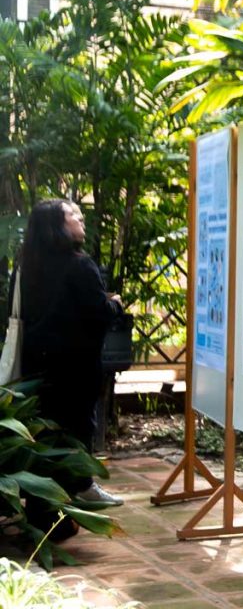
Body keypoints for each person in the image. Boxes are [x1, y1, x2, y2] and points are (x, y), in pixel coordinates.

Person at [10, 199, 124, 505]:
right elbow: (98, 313)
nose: (81, 218)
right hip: (75, 367)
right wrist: (114, 303)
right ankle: (81, 487)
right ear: (56, 227)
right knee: (78, 428)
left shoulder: (25, 267)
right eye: (73, 214)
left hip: (36, 365)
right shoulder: (80, 265)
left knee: (46, 431)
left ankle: (44, 500)